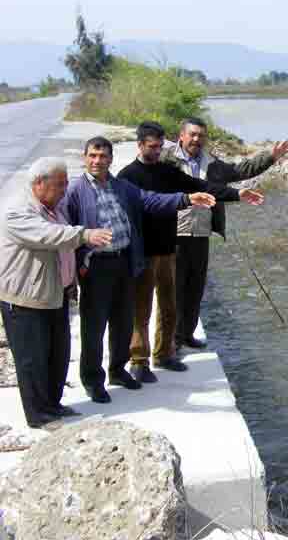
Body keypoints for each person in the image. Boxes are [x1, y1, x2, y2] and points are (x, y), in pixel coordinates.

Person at [64, 136, 216, 404]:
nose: (97, 161)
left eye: (103, 156)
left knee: (123, 323)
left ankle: (118, 371)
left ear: (111, 159)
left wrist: (187, 198)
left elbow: (151, 200)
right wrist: (77, 265)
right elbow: (65, 231)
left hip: (124, 263)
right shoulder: (75, 191)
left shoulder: (121, 187)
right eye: (92, 156)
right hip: (96, 267)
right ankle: (93, 380)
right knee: (94, 327)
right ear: (85, 158)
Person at [118, 121, 264, 383]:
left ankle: (164, 354)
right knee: (142, 309)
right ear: (140, 145)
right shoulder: (127, 176)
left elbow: (201, 185)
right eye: (152, 146)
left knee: (169, 305)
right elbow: (147, 203)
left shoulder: (166, 171)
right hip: (142, 251)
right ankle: (138, 360)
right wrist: (185, 199)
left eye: (161, 146)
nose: (157, 150)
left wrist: (238, 193)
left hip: (168, 247)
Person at [0, 157, 112, 427]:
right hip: (27, 299)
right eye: (59, 185)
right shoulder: (17, 210)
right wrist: (85, 235)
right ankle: (38, 416)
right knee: (32, 359)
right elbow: (48, 235)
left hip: (56, 294)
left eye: (65, 185)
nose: (64, 191)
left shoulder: (53, 206)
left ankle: (53, 404)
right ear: (39, 183)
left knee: (57, 354)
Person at [161, 117, 288, 349]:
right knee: (174, 290)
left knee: (195, 288)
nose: (196, 139)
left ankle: (187, 334)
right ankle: (171, 340)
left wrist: (271, 157)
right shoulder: (167, 162)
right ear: (181, 136)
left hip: (201, 235)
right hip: (174, 234)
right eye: (192, 134)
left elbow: (242, 170)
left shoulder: (213, 165)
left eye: (201, 135)